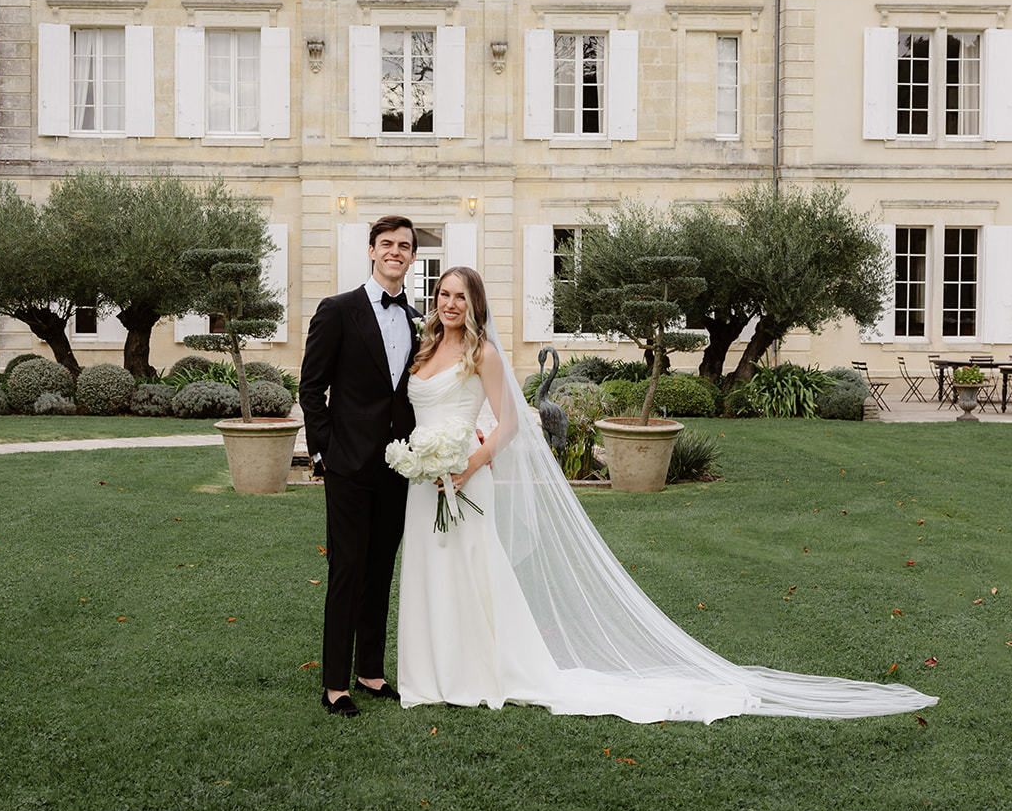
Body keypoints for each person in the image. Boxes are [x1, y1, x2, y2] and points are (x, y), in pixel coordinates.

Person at [396, 266, 939, 723]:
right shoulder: (423, 350)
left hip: (466, 476)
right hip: (425, 483)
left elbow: (510, 423)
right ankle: (429, 674)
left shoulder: (483, 353)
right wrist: (424, 459)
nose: (450, 303)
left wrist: (471, 462)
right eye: (443, 294)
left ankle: (473, 672)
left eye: (460, 296)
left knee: (472, 573)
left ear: (474, 304)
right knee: (429, 571)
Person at [299, 216, 421, 717]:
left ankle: (371, 671)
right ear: (372, 251)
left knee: (379, 569)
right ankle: (334, 685)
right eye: (387, 244)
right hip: (348, 466)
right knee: (347, 570)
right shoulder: (338, 310)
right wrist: (325, 453)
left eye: (405, 246)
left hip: (398, 466)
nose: (396, 252)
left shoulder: (416, 318)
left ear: (413, 257)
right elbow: (311, 388)